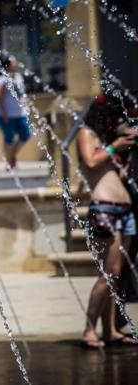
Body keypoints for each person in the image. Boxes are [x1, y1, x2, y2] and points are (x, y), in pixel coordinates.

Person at [78, 95, 138, 348]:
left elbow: (118, 175)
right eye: (114, 117)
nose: (117, 122)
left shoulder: (106, 141)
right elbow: (90, 161)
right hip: (105, 210)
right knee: (108, 272)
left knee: (117, 274)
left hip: (124, 212)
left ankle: (110, 329)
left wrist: (129, 151)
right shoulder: (87, 133)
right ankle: (89, 329)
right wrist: (114, 147)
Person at [0, 56, 30, 170]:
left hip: (20, 114)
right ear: (8, 66)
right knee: (9, 138)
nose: (16, 65)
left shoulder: (19, 77)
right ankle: (9, 163)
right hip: (6, 115)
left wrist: (28, 108)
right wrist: (4, 113)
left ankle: (11, 156)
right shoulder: (3, 79)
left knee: (25, 134)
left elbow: (22, 95)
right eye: (14, 63)